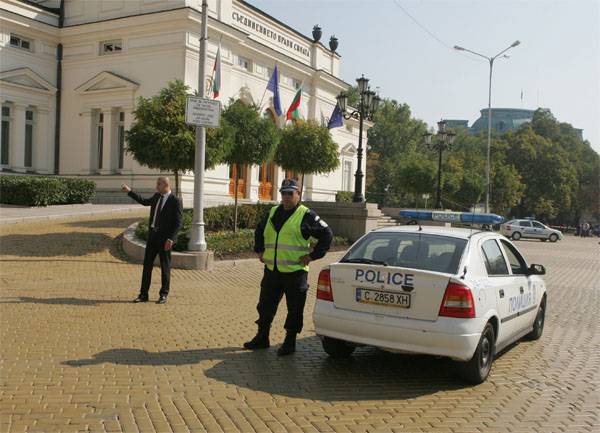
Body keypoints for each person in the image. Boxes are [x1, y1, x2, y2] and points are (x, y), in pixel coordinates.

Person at [244, 178, 333, 356]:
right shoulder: (273, 212)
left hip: (295, 272)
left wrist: (313, 256)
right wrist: (259, 250)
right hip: (272, 271)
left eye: (290, 193)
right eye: (283, 193)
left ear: (298, 194)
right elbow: (260, 230)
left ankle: (289, 342)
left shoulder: (306, 215)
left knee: (294, 309)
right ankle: (262, 338)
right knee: (265, 306)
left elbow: (327, 234)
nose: (285, 197)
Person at [121, 177, 183, 304]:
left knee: (165, 266)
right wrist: (129, 191)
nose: (156, 186)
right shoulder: (156, 196)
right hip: (152, 237)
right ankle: (143, 294)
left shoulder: (175, 201)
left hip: (165, 240)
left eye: (159, 184)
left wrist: (171, 239)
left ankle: (163, 294)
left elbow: (178, 223)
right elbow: (144, 201)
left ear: (166, 185)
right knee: (147, 266)